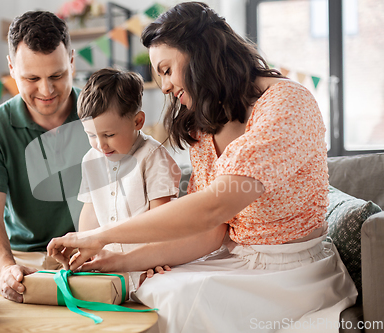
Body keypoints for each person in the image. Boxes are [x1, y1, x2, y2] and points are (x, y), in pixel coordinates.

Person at [47, 2, 357, 332]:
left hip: (291, 272)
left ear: (200, 53)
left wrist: (98, 236)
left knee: (175, 300)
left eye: (166, 70)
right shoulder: (204, 126)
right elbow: (210, 232)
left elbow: (212, 207)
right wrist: (116, 262)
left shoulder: (287, 104)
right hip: (237, 259)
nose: (164, 86)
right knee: (149, 290)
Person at [0, 10, 89, 303]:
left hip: (95, 252)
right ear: (11, 68)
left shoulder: (102, 114)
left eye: (57, 75)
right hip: (24, 260)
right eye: (32, 78)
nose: (46, 90)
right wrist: (4, 267)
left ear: (71, 60)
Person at [74, 68, 181, 291]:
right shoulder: (91, 159)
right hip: (108, 267)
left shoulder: (153, 158)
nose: (100, 145)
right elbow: (91, 211)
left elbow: (162, 221)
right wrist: (83, 247)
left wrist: (154, 259)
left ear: (138, 121)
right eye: (91, 135)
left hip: (146, 264)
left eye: (109, 135)